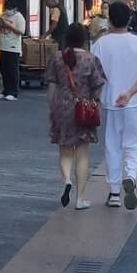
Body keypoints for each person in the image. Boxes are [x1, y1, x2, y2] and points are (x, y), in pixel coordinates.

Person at [92, 0, 137, 211]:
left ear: (109, 20)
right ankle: (132, 175)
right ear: (129, 19)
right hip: (134, 103)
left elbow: (94, 74)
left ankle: (114, 192)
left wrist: (96, 96)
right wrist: (129, 93)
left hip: (109, 102)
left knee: (113, 146)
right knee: (136, 144)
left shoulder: (101, 44)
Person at [46, 23, 105, 210]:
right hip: (83, 110)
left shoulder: (57, 57)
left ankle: (66, 181)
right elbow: (98, 86)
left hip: (62, 108)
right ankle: (80, 199)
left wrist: (52, 108)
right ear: (84, 40)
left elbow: (52, 86)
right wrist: (94, 101)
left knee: (65, 151)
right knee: (82, 154)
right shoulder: (90, 59)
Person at [0, 0, 26, 100]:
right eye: (6, 8)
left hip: (13, 47)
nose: (8, 10)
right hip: (3, 45)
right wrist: (0, 24)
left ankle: (13, 92)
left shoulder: (19, 17)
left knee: (12, 70)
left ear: (15, 8)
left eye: (9, 8)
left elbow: (21, 31)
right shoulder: (3, 15)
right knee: (4, 69)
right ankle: (6, 90)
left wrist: (8, 25)